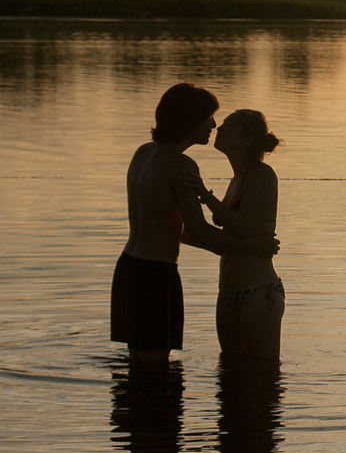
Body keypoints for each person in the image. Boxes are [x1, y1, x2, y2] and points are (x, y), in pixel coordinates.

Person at [111, 84, 277, 363]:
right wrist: (252, 246)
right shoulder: (181, 165)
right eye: (209, 117)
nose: (213, 124)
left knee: (140, 366)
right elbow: (198, 230)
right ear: (189, 120)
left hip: (129, 268)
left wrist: (228, 248)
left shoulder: (143, 153)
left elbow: (176, 230)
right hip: (156, 275)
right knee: (155, 370)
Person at [194, 109, 284, 361]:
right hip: (229, 291)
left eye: (228, 126)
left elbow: (248, 228)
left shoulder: (262, 175)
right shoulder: (237, 178)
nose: (219, 129)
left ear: (246, 140)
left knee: (263, 374)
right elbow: (239, 236)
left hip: (258, 292)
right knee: (231, 373)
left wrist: (205, 195)